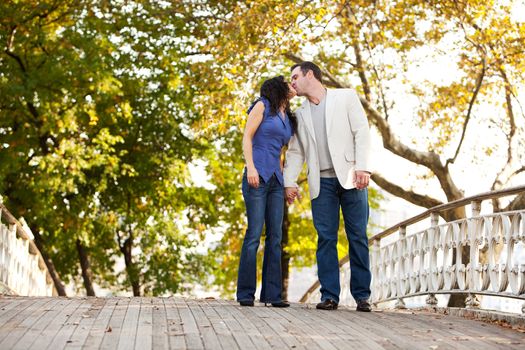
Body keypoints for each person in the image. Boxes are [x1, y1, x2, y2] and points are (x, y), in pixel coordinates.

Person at [283, 61, 372, 312]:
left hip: (352, 178)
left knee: (358, 237)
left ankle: (362, 296)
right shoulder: (299, 114)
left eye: (295, 77)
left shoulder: (345, 97)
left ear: (310, 74)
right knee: (325, 239)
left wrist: (363, 167)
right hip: (321, 183)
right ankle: (329, 295)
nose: (292, 83)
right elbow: (296, 152)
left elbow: (361, 132)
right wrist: (289, 181)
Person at [236, 75, 297, 307]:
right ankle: (245, 294)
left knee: (276, 236)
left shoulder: (286, 117)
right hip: (256, 176)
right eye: (288, 82)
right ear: (278, 87)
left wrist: (286, 183)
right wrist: (250, 167)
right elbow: (247, 137)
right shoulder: (263, 105)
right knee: (254, 234)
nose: (292, 85)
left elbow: (281, 151)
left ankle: (272, 295)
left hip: (275, 180)